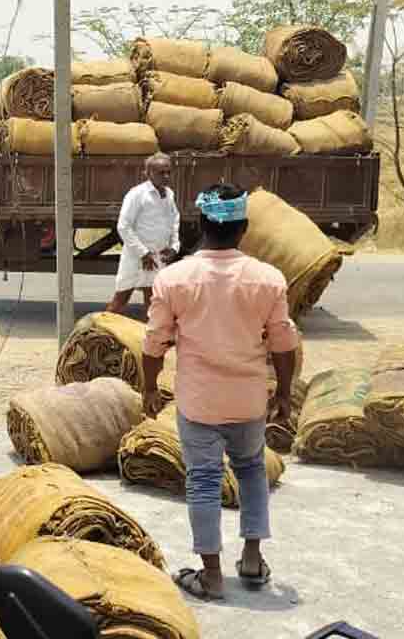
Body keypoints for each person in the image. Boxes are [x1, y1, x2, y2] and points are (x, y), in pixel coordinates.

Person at [141, 183, 299, 602]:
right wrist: (283, 393)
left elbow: (154, 341)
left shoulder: (174, 278)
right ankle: (251, 559)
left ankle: (210, 576)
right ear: (243, 228)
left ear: (199, 224)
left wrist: (148, 387)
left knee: (204, 481)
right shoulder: (268, 279)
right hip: (248, 401)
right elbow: (284, 345)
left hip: (199, 402)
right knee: (250, 471)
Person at [107, 152, 181, 315]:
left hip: (158, 256)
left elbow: (174, 220)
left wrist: (174, 247)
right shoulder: (137, 194)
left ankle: (151, 339)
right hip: (137, 256)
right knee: (120, 300)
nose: (166, 176)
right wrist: (143, 253)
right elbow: (124, 226)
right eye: (161, 173)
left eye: (169, 172)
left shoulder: (169, 194)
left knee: (153, 303)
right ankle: (97, 335)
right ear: (148, 174)